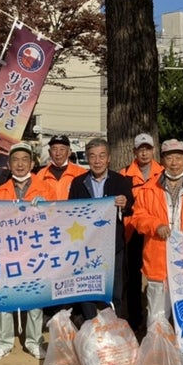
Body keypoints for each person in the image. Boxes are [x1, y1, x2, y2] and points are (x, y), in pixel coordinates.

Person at [125, 139, 183, 365]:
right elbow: (138, 217)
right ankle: (155, 353)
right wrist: (155, 225)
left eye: (179, 157)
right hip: (158, 258)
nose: (174, 162)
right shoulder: (149, 189)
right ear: (163, 160)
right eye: (169, 157)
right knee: (157, 309)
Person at [0, 144, 56, 360]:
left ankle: (34, 342)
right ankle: (3, 342)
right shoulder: (0, 192)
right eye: (15, 159)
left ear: (32, 164)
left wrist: (48, 208)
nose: (19, 164)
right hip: (8, 253)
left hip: (35, 252)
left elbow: (57, 218)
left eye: (24, 159)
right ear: (9, 164)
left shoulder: (46, 189)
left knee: (35, 298)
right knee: (5, 298)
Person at [69, 138, 135, 331]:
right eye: (92, 156)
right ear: (87, 159)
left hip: (113, 245)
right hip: (86, 246)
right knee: (87, 288)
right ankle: (92, 329)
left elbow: (131, 208)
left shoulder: (120, 180)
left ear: (109, 159)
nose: (97, 161)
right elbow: (71, 212)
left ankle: (115, 330)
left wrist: (125, 203)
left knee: (115, 290)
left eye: (101, 156)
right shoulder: (78, 182)